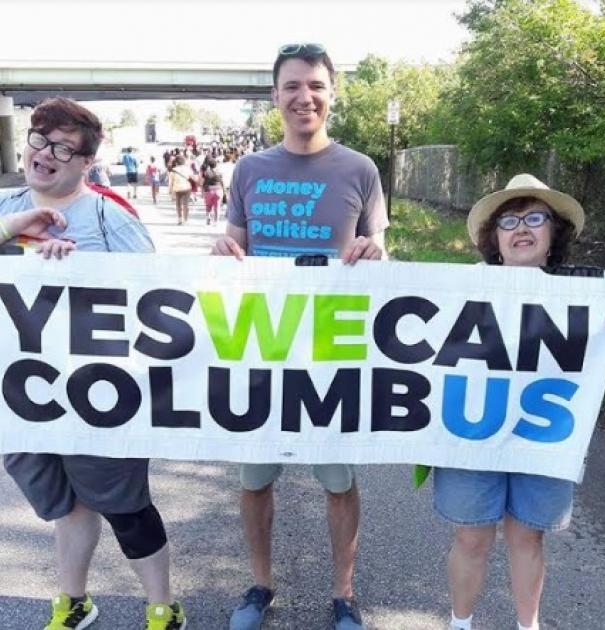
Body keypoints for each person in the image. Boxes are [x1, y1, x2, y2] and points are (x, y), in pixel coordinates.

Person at [213, 43, 388, 630]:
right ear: (275, 96)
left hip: (330, 354)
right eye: (291, 86)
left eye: (314, 85)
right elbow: (234, 243)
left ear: (331, 93)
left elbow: (381, 253)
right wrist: (223, 251)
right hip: (263, 351)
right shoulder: (249, 170)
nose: (303, 96)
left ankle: (345, 594)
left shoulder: (360, 169)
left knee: (338, 481)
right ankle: (260, 585)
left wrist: (374, 251)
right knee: (256, 480)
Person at [0, 97, 187, 630]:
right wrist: (20, 230)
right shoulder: (7, 205)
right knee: (62, 504)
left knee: (124, 506)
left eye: (63, 147)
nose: (45, 154)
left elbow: (160, 294)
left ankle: (162, 606)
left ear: (86, 163)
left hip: (98, 391)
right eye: (39, 139)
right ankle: (75, 600)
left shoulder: (108, 215)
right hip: (23, 395)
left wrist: (84, 270)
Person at [436, 173, 605, 630]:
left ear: (553, 235)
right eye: (509, 220)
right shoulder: (455, 288)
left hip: (541, 438)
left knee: (527, 539)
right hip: (472, 436)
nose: (522, 227)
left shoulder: (583, 300)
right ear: (495, 239)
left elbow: (588, 382)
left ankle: (529, 626)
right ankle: (459, 624)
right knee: (471, 538)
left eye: (535, 217)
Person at [168, 155, 194, 225]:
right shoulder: (188, 169)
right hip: (187, 188)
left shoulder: (174, 170)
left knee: (178, 204)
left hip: (177, 188)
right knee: (186, 204)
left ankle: (179, 219)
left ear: (176, 162)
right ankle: (186, 219)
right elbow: (192, 177)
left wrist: (170, 190)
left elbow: (171, 182)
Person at [200, 157, 224, 225]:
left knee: (208, 205)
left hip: (208, 190)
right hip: (218, 190)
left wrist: (202, 191)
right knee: (217, 206)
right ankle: (216, 221)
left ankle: (208, 218)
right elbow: (222, 182)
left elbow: (202, 183)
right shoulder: (219, 172)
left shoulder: (206, 173)